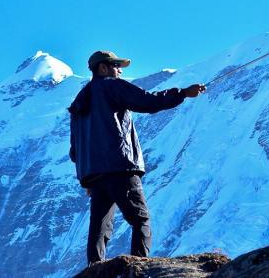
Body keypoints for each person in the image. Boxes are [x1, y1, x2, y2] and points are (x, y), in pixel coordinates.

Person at [68, 50, 205, 265]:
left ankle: (95, 269)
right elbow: (147, 101)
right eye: (116, 66)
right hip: (119, 168)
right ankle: (139, 266)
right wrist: (183, 93)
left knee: (100, 228)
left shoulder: (80, 100)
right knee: (140, 219)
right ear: (102, 68)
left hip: (94, 176)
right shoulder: (111, 86)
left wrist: (87, 177)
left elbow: (74, 149)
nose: (120, 70)